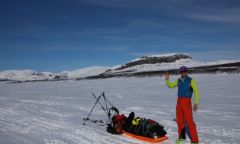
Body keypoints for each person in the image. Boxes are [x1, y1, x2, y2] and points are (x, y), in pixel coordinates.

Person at [165, 66, 199, 144]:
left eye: (184, 71)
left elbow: (196, 92)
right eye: (181, 71)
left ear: (186, 71)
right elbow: (170, 86)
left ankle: (195, 140)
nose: (183, 72)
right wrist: (167, 79)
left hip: (187, 102)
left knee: (189, 121)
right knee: (179, 120)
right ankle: (182, 137)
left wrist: (196, 103)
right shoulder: (179, 80)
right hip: (179, 102)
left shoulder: (191, 81)